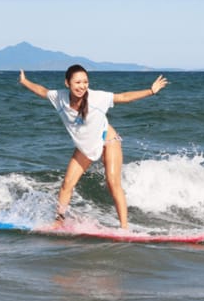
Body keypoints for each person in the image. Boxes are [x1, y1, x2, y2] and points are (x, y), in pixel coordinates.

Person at [19, 65, 169, 229]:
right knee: (66, 184)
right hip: (85, 146)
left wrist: (151, 91)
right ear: (67, 83)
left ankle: (124, 227)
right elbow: (42, 91)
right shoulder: (59, 97)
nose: (82, 86)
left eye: (85, 82)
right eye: (77, 82)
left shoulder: (97, 98)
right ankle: (58, 222)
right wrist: (24, 81)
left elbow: (124, 97)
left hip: (108, 140)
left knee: (113, 182)